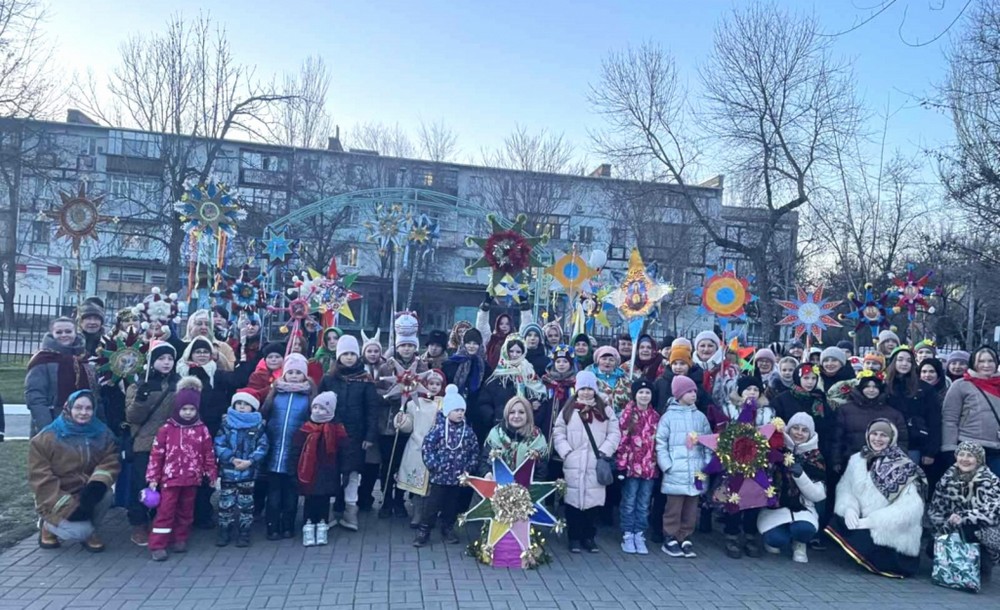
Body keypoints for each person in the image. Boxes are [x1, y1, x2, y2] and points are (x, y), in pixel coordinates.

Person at [825, 419, 926, 578]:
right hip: (864, 519)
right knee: (837, 521)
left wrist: (872, 521)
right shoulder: (857, 459)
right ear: (868, 435)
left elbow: (911, 508)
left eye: (883, 435)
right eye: (874, 434)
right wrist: (850, 508)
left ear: (891, 438)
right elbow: (845, 487)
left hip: (891, 530)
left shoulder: (904, 465)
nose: (878, 439)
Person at [28, 389, 119, 552]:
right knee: (79, 532)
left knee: (106, 494)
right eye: (78, 407)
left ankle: (91, 530)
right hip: (56, 495)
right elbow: (41, 479)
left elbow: (110, 460)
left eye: (88, 408)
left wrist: (97, 484)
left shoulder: (102, 434)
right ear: (68, 408)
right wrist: (68, 507)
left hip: (85, 490)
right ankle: (47, 526)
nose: (83, 412)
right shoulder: (45, 439)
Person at [145, 376, 218, 561]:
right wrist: (153, 477)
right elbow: (156, 454)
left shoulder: (202, 429)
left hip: (192, 478)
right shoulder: (166, 429)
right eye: (184, 409)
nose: (188, 413)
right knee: (165, 511)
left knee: (186, 511)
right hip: (170, 479)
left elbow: (208, 453)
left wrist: (211, 473)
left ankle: (180, 538)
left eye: (192, 409)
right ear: (177, 408)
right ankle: (158, 544)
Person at [552, 370, 621, 553]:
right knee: (572, 502)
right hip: (574, 462)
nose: (586, 392)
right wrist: (566, 452)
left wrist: (604, 451)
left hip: (595, 462)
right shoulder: (569, 409)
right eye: (582, 389)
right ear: (577, 389)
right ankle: (574, 537)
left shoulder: (605, 409)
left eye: (589, 389)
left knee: (592, 502)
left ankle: (589, 537)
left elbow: (614, 433)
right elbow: (558, 432)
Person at [318, 335, 381, 529]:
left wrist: (369, 436)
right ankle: (328, 512)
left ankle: (350, 511)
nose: (349, 357)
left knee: (353, 473)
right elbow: (319, 405)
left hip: (355, 436)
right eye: (345, 354)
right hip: (331, 433)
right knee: (331, 472)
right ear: (338, 356)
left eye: (352, 354)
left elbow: (372, 410)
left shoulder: (365, 380)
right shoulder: (329, 379)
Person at [711, 376, 776, 559]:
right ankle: (731, 535)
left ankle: (750, 536)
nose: (752, 393)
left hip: (758, 462)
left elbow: (772, 436)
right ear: (740, 391)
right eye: (748, 390)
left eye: (756, 390)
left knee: (754, 499)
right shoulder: (728, 409)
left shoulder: (768, 412)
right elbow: (721, 432)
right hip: (734, 462)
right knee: (734, 499)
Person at [123, 340, 179, 546]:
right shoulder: (138, 385)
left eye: (170, 358)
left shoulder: (179, 384)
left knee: (167, 485)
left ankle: (160, 521)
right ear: (152, 362)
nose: (166, 362)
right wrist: (141, 399)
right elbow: (132, 417)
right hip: (145, 443)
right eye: (161, 358)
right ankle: (138, 522)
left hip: (171, 442)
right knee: (142, 484)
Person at [375, 313, 428, 519]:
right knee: (388, 463)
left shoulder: (422, 367)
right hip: (389, 424)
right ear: (397, 347)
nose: (406, 349)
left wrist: (415, 396)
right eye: (403, 345)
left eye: (410, 346)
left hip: (413, 424)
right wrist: (392, 396)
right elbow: (376, 390)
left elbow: (427, 392)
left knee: (406, 464)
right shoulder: (386, 366)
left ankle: (400, 500)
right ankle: (386, 499)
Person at [413, 385, 479, 547]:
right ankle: (424, 530)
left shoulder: (468, 432)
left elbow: (474, 450)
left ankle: (447, 528)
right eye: (456, 410)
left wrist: (469, 468)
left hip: (457, 478)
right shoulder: (438, 429)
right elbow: (427, 447)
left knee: (452, 506)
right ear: (447, 411)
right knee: (432, 505)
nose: (460, 413)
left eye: (462, 410)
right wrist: (433, 465)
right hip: (439, 476)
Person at [260, 353, 315, 540]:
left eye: (298, 373)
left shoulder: (308, 396)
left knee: (291, 493)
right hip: (274, 450)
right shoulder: (275, 393)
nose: (294, 376)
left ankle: (288, 526)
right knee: (274, 493)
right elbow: (265, 415)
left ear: (304, 375)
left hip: (295, 452)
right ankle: (272, 526)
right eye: (290, 372)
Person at [758, 413, 826, 563]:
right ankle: (776, 537)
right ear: (788, 429)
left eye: (804, 430)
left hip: (803, 508)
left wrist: (801, 476)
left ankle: (799, 543)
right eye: (795, 428)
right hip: (774, 507)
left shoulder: (815, 457)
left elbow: (818, 495)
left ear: (810, 434)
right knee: (776, 539)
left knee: (803, 529)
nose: (799, 433)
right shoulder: (775, 448)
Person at [656, 375, 711, 558]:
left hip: (696, 470)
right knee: (674, 506)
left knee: (691, 506)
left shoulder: (700, 417)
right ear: (678, 394)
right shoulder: (668, 417)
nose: (693, 394)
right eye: (688, 391)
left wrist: (706, 464)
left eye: (694, 391)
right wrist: (667, 465)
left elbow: (708, 441)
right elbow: (661, 442)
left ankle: (685, 536)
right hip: (676, 470)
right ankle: (670, 536)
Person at [927, 441, 1000, 574]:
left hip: (979, 531)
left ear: (978, 459)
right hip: (951, 527)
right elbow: (935, 509)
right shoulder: (947, 478)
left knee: (971, 536)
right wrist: (945, 526)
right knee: (931, 548)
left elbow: (994, 512)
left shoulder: (990, 480)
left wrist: (964, 517)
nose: (964, 459)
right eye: (961, 454)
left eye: (970, 456)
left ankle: (981, 563)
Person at [213, 390, 268, 548]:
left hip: (248, 473)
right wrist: (231, 458)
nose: (242, 407)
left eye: (246, 404)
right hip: (229, 472)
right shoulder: (226, 424)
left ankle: (244, 532)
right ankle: (224, 530)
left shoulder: (258, 426)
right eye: (239, 404)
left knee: (246, 505)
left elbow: (263, 446)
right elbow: (219, 444)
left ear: (253, 407)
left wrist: (250, 461)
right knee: (226, 503)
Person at [25, 317, 98, 434]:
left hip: (85, 426)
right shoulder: (42, 360)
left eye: (68, 331)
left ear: (75, 333)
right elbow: (35, 397)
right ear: (52, 334)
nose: (64, 335)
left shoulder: (85, 359)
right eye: (59, 332)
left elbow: (95, 395)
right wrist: (48, 429)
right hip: (54, 423)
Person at [293, 391, 347, 547]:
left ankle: (322, 524)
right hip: (309, 471)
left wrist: (345, 470)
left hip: (328, 471)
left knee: (324, 499)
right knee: (309, 499)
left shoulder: (336, 429)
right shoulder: (305, 428)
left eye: (322, 409)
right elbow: (295, 450)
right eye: (315, 407)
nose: (318, 411)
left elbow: (344, 451)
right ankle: (308, 525)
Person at [395, 369, 446, 529]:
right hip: (417, 448)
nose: (434, 387)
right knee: (417, 485)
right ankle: (417, 513)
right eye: (431, 383)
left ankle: (429, 515)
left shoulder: (445, 404)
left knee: (432, 486)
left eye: (438, 384)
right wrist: (402, 421)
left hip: (437, 450)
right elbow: (410, 425)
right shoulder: (413, 403)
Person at [616, 378, 660, 555]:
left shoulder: (655, 416)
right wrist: (621, 465)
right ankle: (628, 533)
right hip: (631, 467)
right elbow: (622, 441)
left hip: (649, 467)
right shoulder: (628, 414)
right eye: (641, 392)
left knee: (644, 503)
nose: (644, 396)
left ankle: (639, 533)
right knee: (629, 501)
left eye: (647, 392)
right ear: (635, 395)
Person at [833, 372, 908, 473]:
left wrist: (897, 460)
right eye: (867, 386)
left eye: (875, 387)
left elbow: (902, 440)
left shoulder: (893, 413)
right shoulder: (845, 410)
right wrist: (836, 460)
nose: (871, 390)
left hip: (883, 465)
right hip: (851, 462)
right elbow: (837, 438)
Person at [943, 347, 1000, 475]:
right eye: (981, 361)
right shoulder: (961, 385)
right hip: (969, 448)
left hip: (997, 449)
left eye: (990, 361)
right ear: (973, 363)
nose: (986, 365)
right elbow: (949, 419)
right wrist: (949, 448)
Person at [477, 334, 546, 436]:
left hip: (526, 430)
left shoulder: (530, 374)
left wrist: (532, 406)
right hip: (500, 430)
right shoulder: (497, 377)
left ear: (523, 352)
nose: (514, 355)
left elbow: (539, 398)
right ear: (506, 352)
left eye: (518, 352)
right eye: (511, 351)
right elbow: (484, 402)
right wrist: (494, 418)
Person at [884, 346, 941, 469]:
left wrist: (930, 451)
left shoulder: (924, 389)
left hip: (914, 445)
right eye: (900, 360)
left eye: (909, 360)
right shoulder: (883, 387)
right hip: (885, 443)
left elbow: (934, 420)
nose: (904, 364)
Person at [480, 395, 549, 475]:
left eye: (521, 412)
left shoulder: (537, 438)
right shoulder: (495, 434)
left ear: (528, 414)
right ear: (507, 414)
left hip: (527, 483)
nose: (516, 416)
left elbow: (541, 470)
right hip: (497, 482)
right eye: (512, 412)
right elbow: (484, 462)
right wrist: (487, 474)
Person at [442, 328, 490, 440]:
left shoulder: (484, 366)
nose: (471, 346)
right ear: (463, 343)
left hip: (476, 410)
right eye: (468, 343)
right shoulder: (451, 363)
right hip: (454, 408)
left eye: (475, 343)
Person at [587, 345, 629, 415]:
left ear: (616, 363)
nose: (607, 362)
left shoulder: (624, 379)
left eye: (611, 360)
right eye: (604, 359)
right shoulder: (590, 378)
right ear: (598, 361)